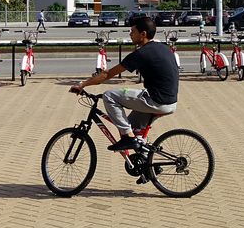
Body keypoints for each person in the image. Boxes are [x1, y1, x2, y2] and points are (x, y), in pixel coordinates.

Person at [69, 15, 178, 151]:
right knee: (132, 127)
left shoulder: (142, 53)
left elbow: (107, 75)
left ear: (143, 34)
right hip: (170, 101)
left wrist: (83, 84)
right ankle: (146, 163)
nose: (130, 34)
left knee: (109, 96)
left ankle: (128, 138)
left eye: (133, 31)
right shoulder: (163, 48)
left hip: (156, 101)